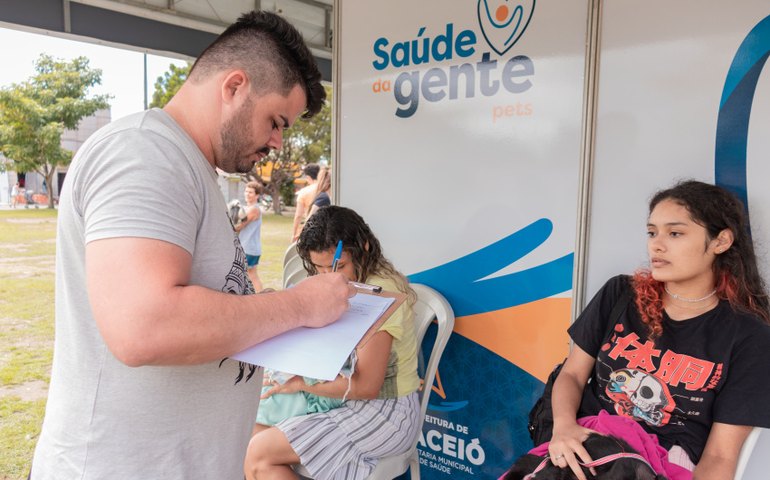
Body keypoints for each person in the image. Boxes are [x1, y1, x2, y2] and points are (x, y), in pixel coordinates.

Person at [30, 11, 355, 480]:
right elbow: (144, 325)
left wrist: (264, 311)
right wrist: (298, 306)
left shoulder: (186, 165)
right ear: (234, 86)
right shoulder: (145, 154)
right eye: (276, 121)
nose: (278, 143)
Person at [547, 180, 770, 480]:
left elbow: (720, 455)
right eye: (652, 232)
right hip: (584, 449)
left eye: (675, 233)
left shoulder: (749, 337)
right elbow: (572, 374)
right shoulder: (620, 293)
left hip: (662, 467)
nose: (657, 244)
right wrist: (563, 428)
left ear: (721, 241)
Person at [245, 205, 422, 480]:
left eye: (339, 266)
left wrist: (301, 383)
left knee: (259, 455)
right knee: (249, 428)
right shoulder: (345, 280)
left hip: (385, 412)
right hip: (338, 400)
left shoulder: (380, 292)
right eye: (319, 268)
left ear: (363, 248)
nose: (330, 277)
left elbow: (366, 387)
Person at [236, 181, 265, 291]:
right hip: (247, 247)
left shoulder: (254, 209)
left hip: (249, 248)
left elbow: (239, 226)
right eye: (246, 191)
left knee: (251, 275)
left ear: (257, 195)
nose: (247, 194)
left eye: (251, 192)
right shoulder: (246, 208)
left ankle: (260, 297)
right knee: (249, 275)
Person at [291, 163, 319, 241]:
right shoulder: (326, 189)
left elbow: (298, 215)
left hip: (311, 228)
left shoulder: (304, 192)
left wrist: (294, 234)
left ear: (308, 177)